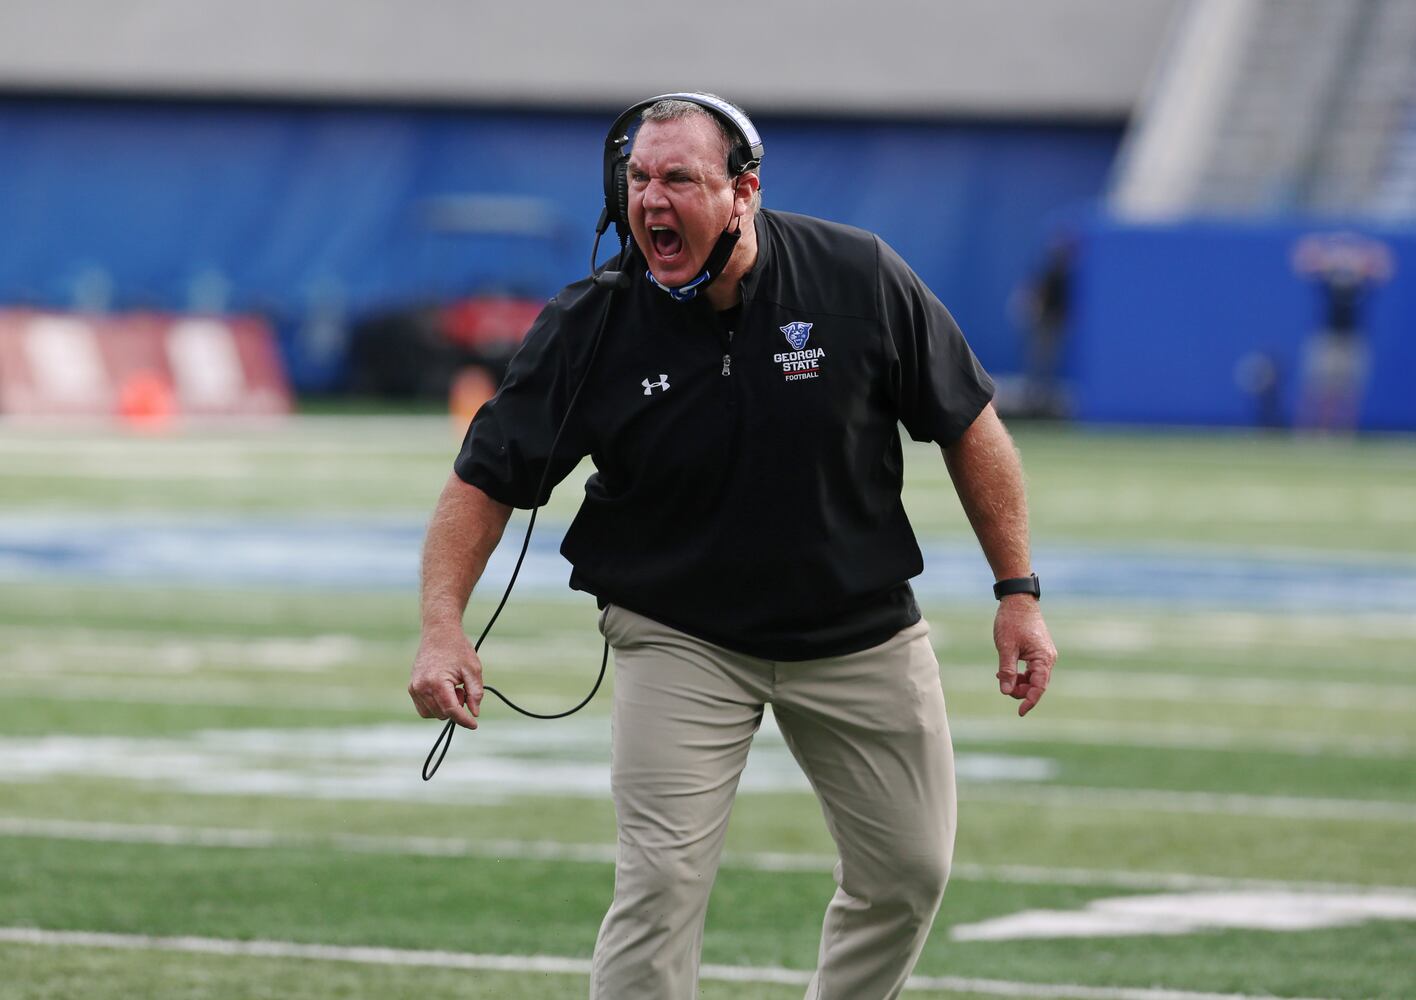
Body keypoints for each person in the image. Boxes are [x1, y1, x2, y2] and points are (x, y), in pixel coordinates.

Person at [408, 94, 1057, 1000]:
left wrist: (1016, 591)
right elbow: (482, 479)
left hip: (855, 626)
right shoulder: (593, 322)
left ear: (743, 192)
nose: (651, 200)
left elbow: (969, 425)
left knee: (909, 875)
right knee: (660, 883)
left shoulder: (857, 278)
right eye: (637, 179)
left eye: (678, 178)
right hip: (681, 632)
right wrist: (444, 626)